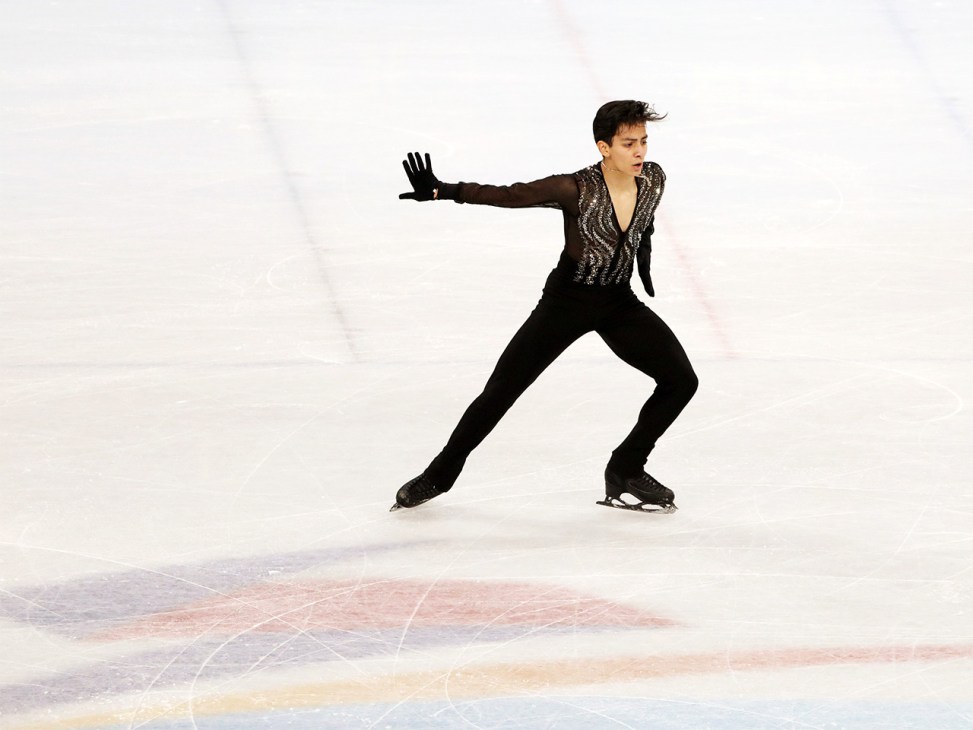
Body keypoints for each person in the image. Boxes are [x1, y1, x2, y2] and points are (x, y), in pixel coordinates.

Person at [391, 100, 698, 513]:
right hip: (566, 303)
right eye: (628, 144)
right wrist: (444, 191)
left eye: (643, 141)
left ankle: (626, 468)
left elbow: (643, 224)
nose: (640, 152)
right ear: (604, 147)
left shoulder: (654, 181)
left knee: (681, 381)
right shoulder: (573, 188)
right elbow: (510, 196)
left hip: (618, 301)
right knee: (502, 390)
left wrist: (641, 260)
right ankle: (438, 475)